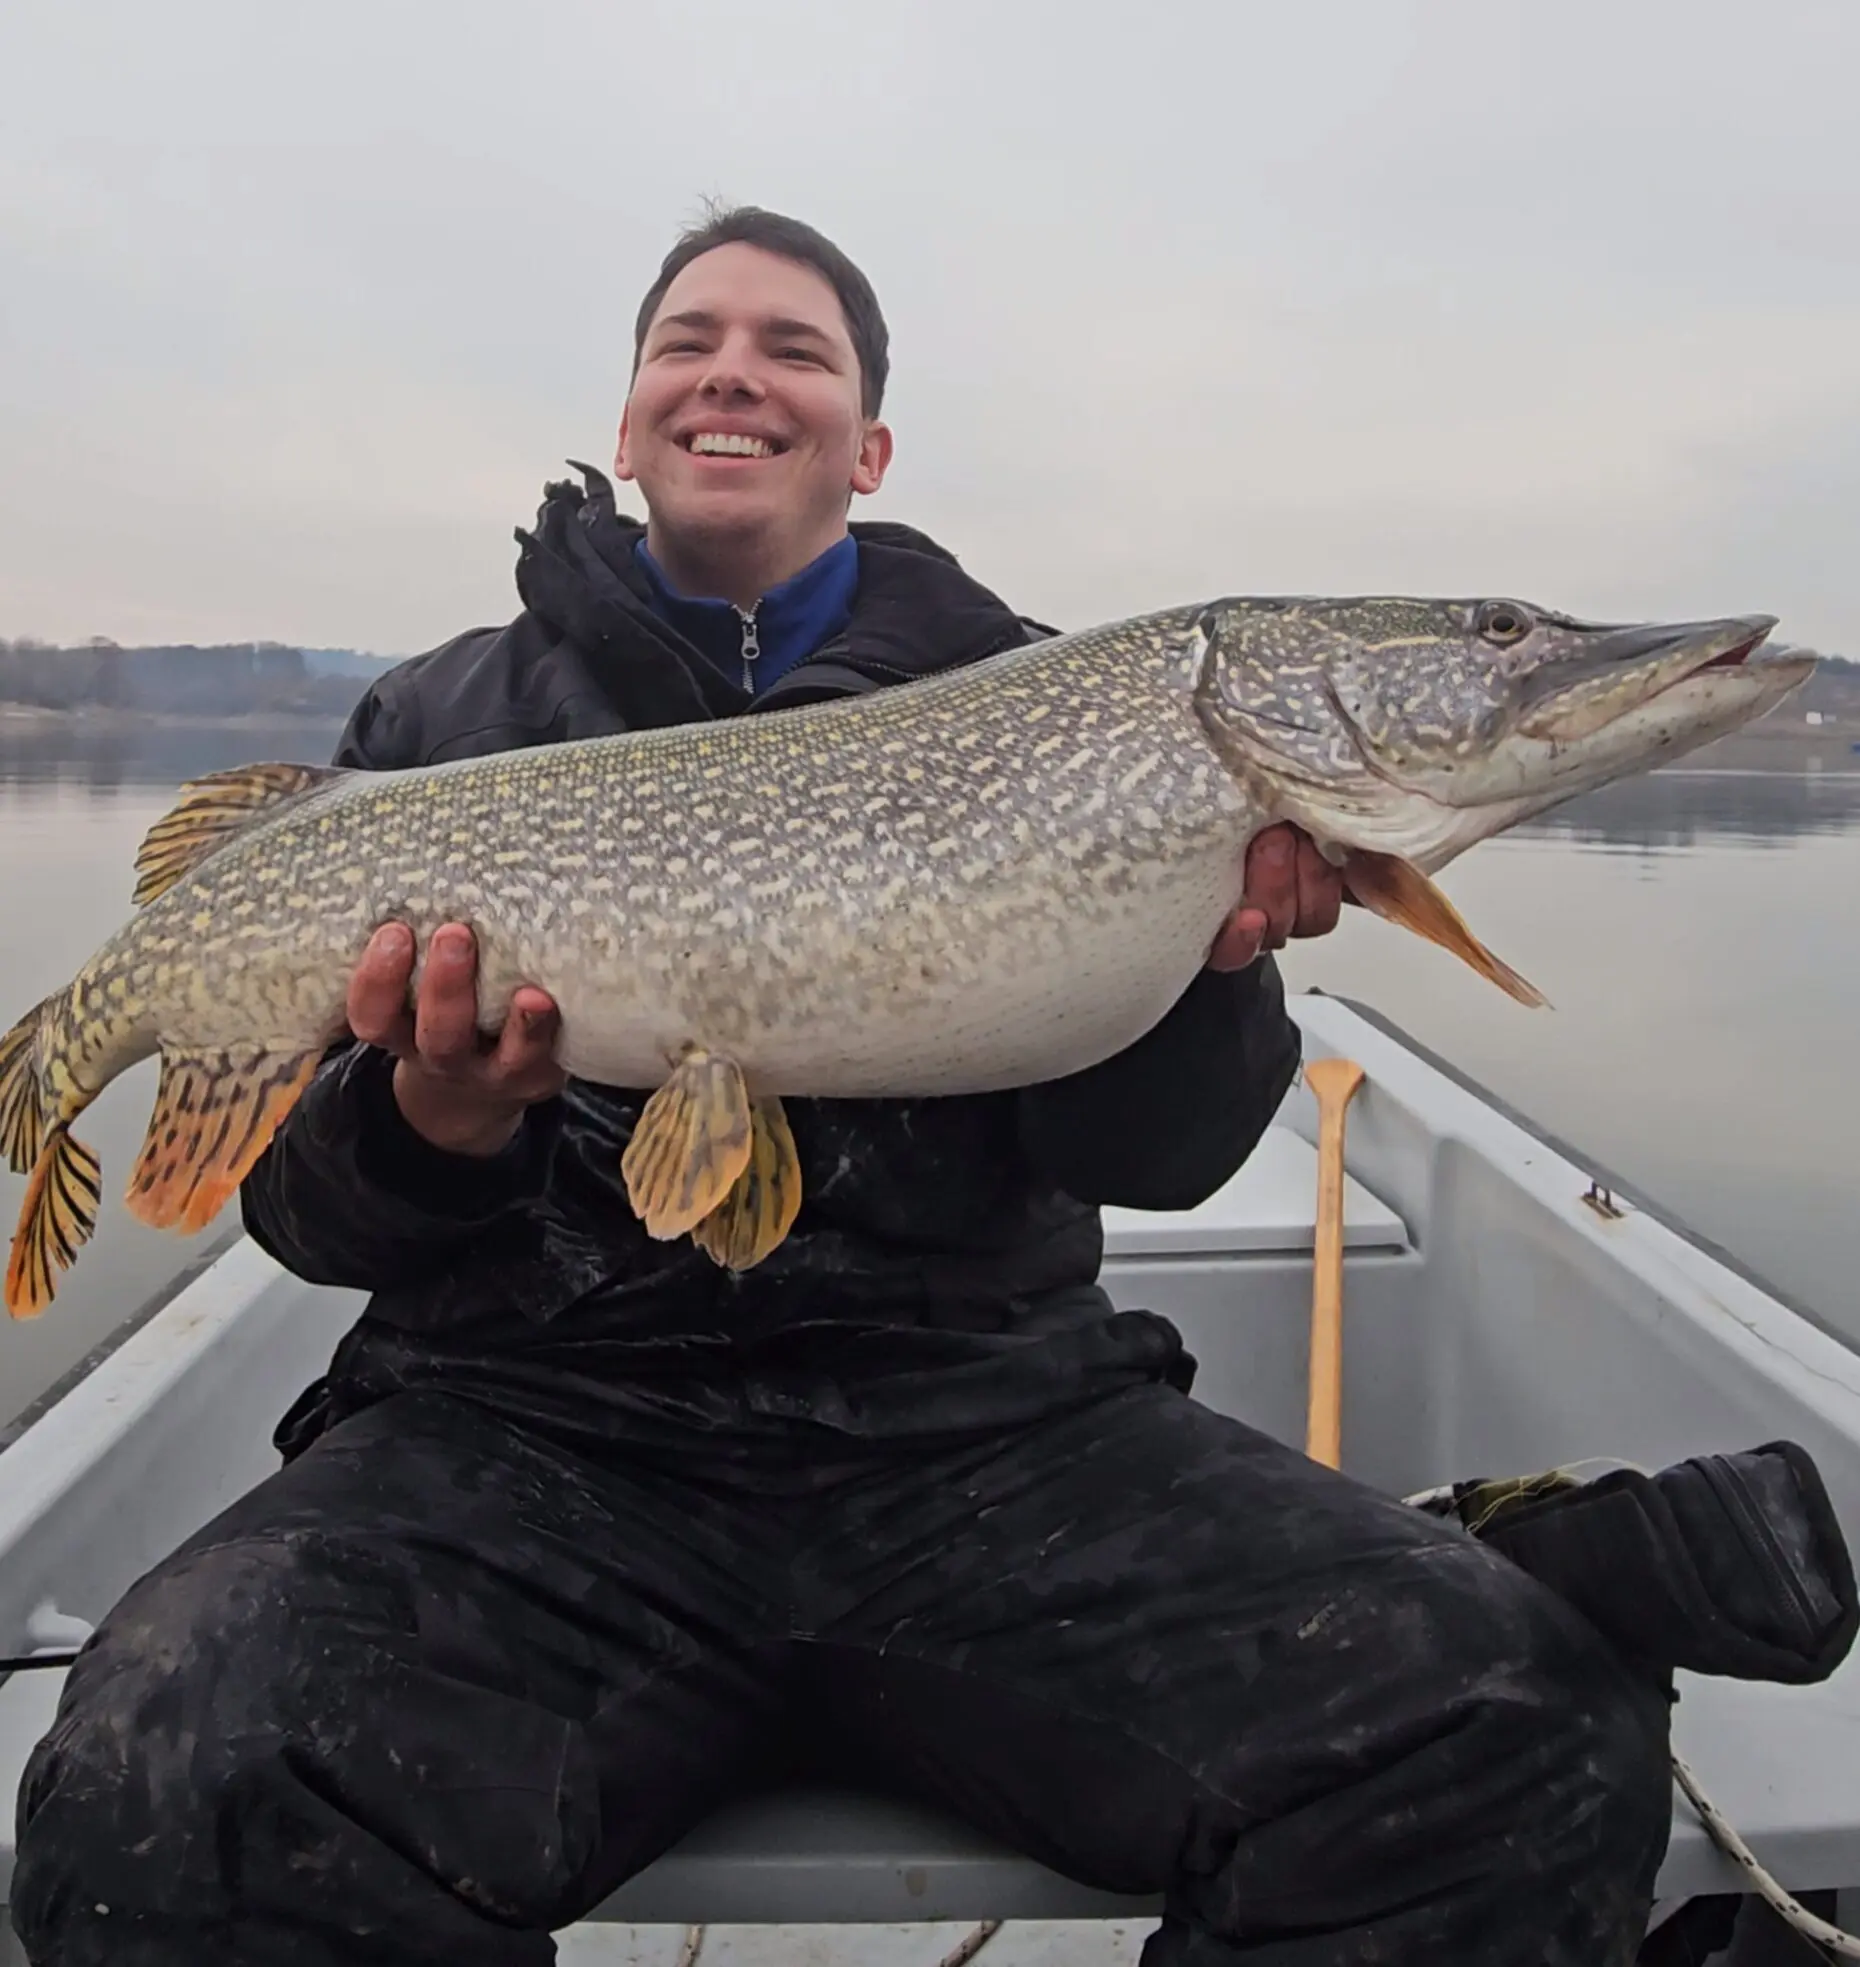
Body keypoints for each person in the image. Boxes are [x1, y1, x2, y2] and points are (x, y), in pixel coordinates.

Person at [11, 205, 1673, 1966]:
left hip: (988, 1439)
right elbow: (306, 1216)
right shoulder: (438, 721)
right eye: (689, 343)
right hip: (528, 1443)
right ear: (633, 420)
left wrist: (1212, 969)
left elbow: (1170, 1155)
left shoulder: (1056, 698)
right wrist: (438, 1117)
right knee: (167, 1782)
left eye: (793, 349)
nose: (734, 372)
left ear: (868, 445)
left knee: (1521, 1725)